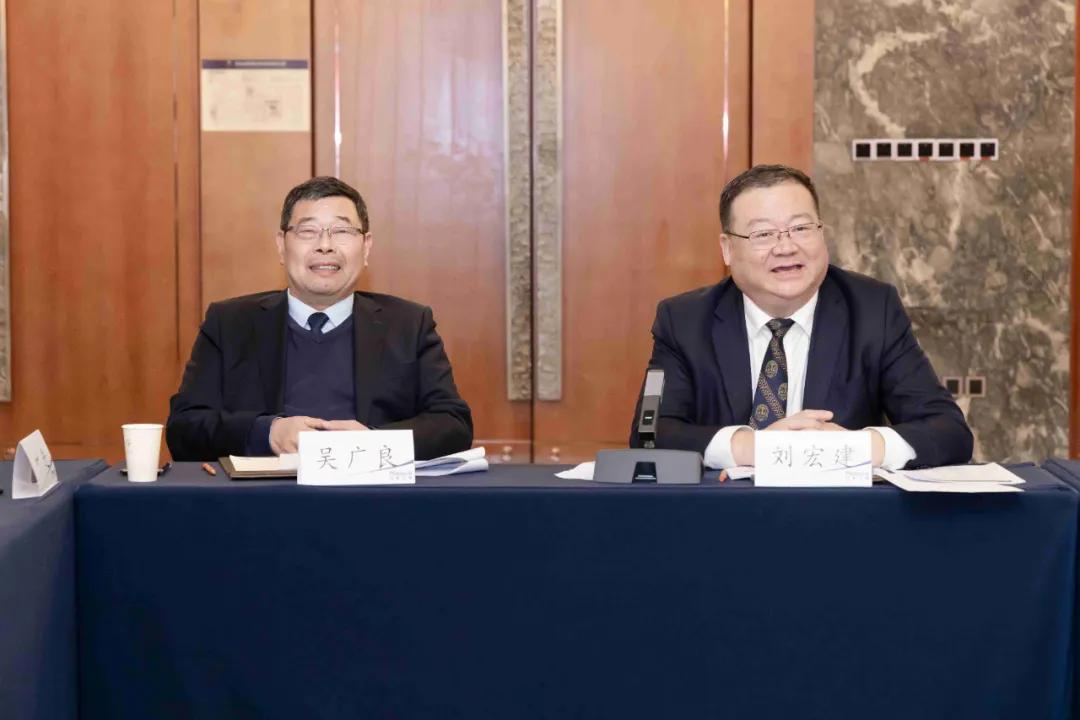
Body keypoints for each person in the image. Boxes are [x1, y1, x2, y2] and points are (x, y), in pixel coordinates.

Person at [630, 164, 972, 470]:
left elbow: (948, 431)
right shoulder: (685, 321)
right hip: (725, 514)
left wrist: (853, 447)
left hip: (837, 514)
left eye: (801, 228)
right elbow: (650, 434)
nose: (786, 247)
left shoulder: (872, 310)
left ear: (822, 233)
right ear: (727, 249)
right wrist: (755, 446)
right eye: (763, 234)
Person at [167, 176, 472, 461]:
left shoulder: (408, 324)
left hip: (372, 493)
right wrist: (266, 432)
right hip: (261, 495)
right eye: (308, 231)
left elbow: (453, 425)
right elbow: (184, 428)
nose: (325, 245)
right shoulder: (230, 324)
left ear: (366, 247)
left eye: (341, 231)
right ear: (281, 246)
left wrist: (374, 441)